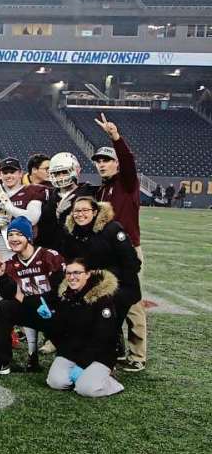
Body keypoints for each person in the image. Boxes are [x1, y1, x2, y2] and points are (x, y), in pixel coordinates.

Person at [91, 113, 145, 370]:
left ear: (116, 163)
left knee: (132, 303)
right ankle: (118, 347)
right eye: (99, 161)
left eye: (107, 160)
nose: (102, 164)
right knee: (108, 301)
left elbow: (128, 161)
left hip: (127, 252)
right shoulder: (101, 189)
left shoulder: (127, 183)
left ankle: (137, 355)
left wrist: (115, 138)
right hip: (106, 253)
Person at [0, 217, 65, 378]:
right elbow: (9, 295)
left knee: (71, 355)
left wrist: (38, 303)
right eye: (10, 234)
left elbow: (60, 291)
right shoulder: (10, 264)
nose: (13, 239)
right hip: (31, 309)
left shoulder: (49, 256)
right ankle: (1, 362)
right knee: (4, 306)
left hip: (54, 312)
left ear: (29, 237)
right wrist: (1, 276)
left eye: (19, 234)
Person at [45, 259, 130, 398]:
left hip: (99, 354)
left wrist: (82, 365)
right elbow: (60, 334)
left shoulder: (102, 299)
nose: (72, 277)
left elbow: (104, 338)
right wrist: (49, 320)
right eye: (68, 273)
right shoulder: (66, 297)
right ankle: (88, 376)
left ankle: (110, 382)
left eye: (77, 273)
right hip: (72, 351)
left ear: (88, 274)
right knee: (56, 382)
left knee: (86, 389)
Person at [59, 197, 142, 325]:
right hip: (86, 283)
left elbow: (133, 263)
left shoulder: (113, 229)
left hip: (119, 285)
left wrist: (105, 277)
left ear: (95, 212)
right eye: (77, 211)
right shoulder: (71, 233)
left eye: (85, 210)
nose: (80, 214)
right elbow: (69, 261)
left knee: (105, 322)